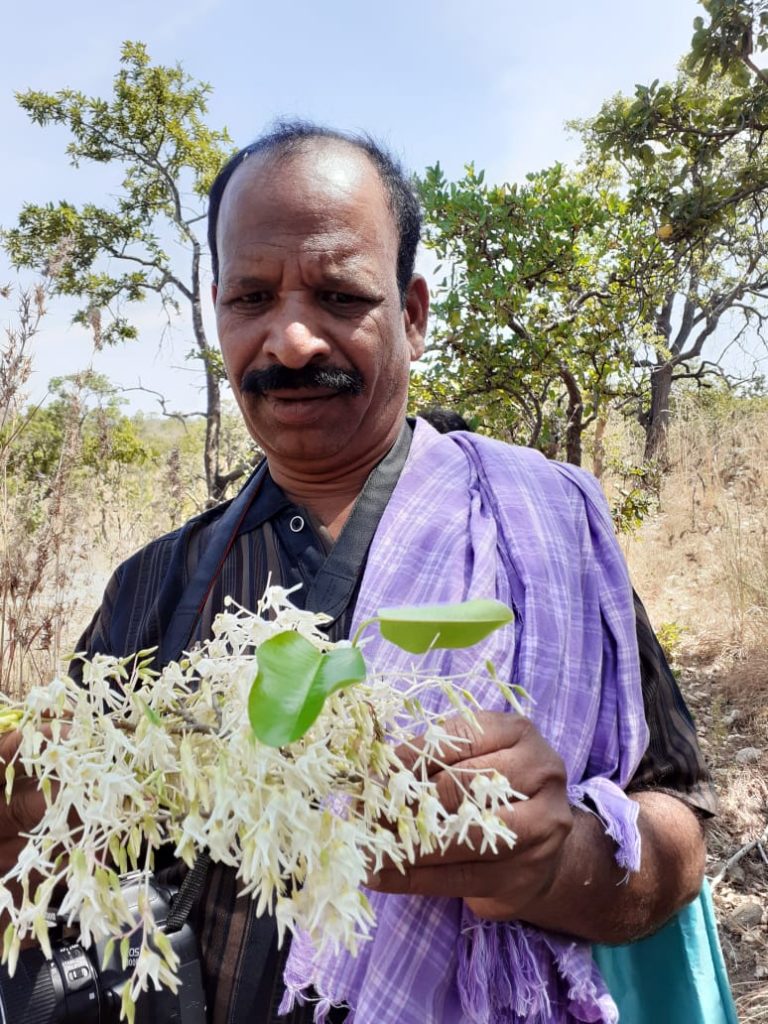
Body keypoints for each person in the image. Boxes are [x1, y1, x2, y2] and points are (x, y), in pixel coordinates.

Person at [0, 123, 717, 1024]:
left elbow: (680, 830)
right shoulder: (156, 584)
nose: (291, 339)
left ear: (412, 315)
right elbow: (63, 849)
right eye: (252, 297)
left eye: (339, 295)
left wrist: (560, 858)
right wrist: (28, 825)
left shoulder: (542, 531)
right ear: (218, 309)